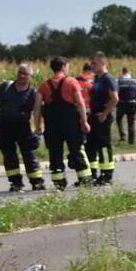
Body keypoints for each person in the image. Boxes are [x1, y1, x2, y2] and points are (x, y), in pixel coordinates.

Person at [37, 56, 93, 190]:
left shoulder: (44, 85)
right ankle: (84, 178)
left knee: (55, 152)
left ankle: (59, 182)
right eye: (67, 66)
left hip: (52, 125)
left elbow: (37, 108)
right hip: (71, 124)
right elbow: (80, 103)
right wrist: (84, 121)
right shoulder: (72, 82)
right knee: (76, 150)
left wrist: (37, 125)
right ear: (63, 67)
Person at [0, 64, 45, 192]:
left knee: (28, 154)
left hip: (22, 127)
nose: (21, 75)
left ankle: (37, 182)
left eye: (25, 74)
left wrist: (38, 127)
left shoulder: (33, 92)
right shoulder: (6, 86)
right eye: (20, 72)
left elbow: (37, 111)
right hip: (4, 126)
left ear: (30, 77)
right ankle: (16, 183)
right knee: (9, 155)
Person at [88, 52, 119, 185]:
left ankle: (107, 175)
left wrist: (104, 114)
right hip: (94, 116)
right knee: (91, 146)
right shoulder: (97, 79)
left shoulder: (108, 79)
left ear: (102, 63)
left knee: (104, 146)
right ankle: (93, 174)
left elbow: (114, 99)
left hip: (102, 117)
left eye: (94, 63)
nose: (92, 65)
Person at [116, 67, 136, 145]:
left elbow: (115, 92)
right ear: (129, 72)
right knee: (131, 123)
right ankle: (131, 141)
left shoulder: (118, 81)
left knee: (118, 119)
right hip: (132, 104)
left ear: (122, 72)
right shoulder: (135, 81)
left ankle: (122, 136)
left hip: (121, 104)